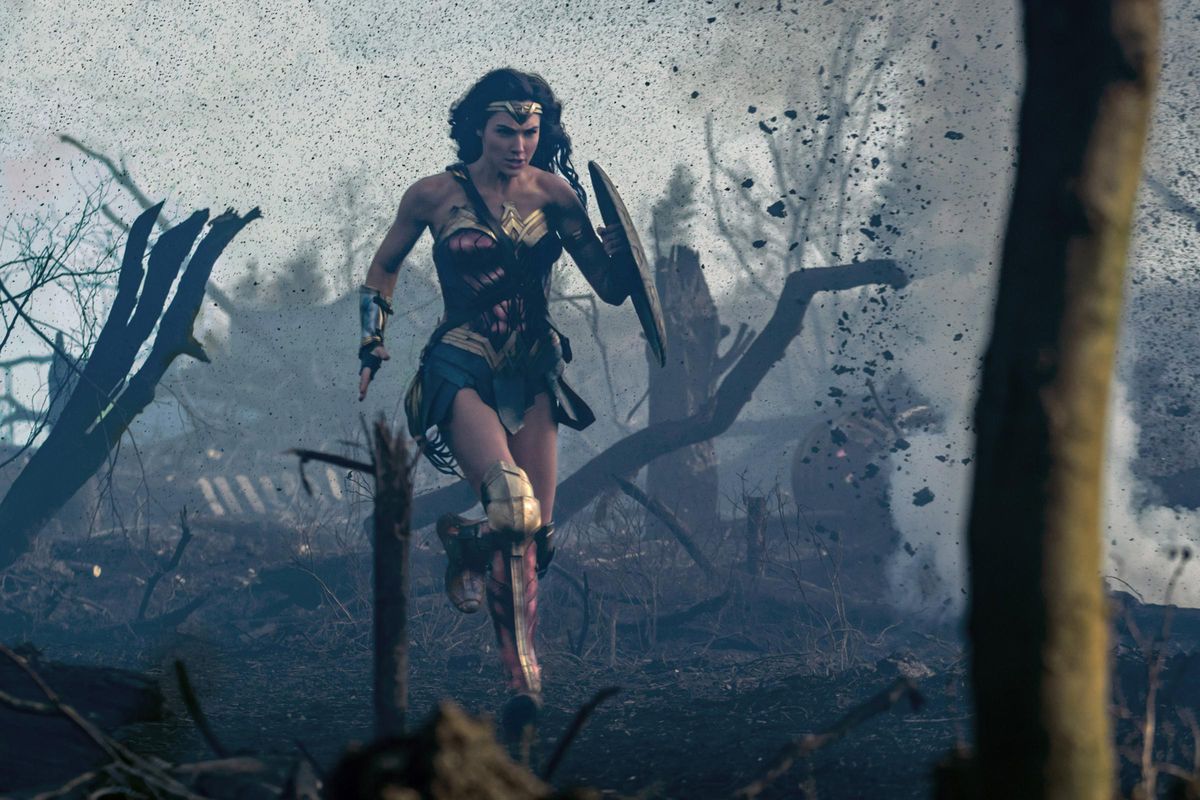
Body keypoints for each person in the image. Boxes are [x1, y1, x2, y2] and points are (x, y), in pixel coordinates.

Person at [356, 68, 629, 736]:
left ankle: (466, 541)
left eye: (530, 131)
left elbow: (612, 286)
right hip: (463, 361)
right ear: (478, 127)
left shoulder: (555, 194)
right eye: (506, 131)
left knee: (537, 538)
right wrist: (372, 338)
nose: (519, 144)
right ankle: (524, 679)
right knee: (511, 502)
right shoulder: (432, 195)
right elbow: (385, 264)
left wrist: (618, 251)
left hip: (533, 367)